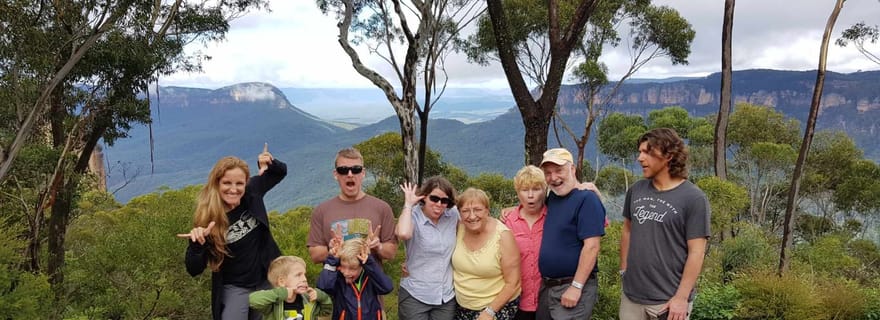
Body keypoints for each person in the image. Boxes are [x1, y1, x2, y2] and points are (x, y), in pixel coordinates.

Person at [179, 143, 286, 320]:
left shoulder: (252, 193)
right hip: (235, 286)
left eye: (239, 183)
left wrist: (269, 163)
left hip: (267, 277)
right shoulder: (208, 218)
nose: (234, 189)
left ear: (246, 183)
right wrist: (196, 245)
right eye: (227, 183)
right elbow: (193, 269)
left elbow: (280, 172)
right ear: (216, 183)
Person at [619, 128, 710, 320]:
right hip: (631, 299)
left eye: (647, 153)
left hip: (668, 301)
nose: (640, 158)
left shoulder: (693, 198)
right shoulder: (636, 190)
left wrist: (681, 298)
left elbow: (697, 252)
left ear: (668, 156)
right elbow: (627, 229)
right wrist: (624, 269)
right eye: (640, 151)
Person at [537, 148, 606, 319]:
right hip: (547, 287)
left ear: (572, 169)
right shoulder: (553, 198)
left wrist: (576, 286)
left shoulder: (586, 199)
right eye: (548, 173)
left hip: (571, 288)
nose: (553, 178)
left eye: (559, 170)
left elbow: (592, 246)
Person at [307, 147, 397, 265]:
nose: (350, 174)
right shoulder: (321, 211)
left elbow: (391, 252)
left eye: (356, 169)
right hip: (335, 281)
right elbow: (315, 255)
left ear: (363, 173)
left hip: (371, 281)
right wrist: (331, 248)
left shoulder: (382, 208)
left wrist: (377, 246)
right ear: (336, 174)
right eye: (343, 170)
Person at [452, 187, 521, 320]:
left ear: (487, 210)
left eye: (477, 210)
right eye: (465, 211)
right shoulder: (458, 228)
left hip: (495, 308)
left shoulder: (503, 236)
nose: (472, 216)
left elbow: (513, 282)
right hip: (461, 307)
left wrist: (489, 312)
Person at [396, 177, 459, 320]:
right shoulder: (413, 215)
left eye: (444, 201)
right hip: (415, 294)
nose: (439, 204)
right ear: (424, 197)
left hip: (445, 296)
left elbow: (475, 213)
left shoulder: (452, 215)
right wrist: (408, 204)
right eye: (434, 199)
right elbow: (404, 233)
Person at [500, 166, 547, 320]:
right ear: (518, 192)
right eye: (525, 190)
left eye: (536, 189)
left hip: (547, 301)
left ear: (544, 190)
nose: (531, 195)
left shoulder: (554, 217)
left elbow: (599, 222)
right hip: (517, 301)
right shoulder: (507, 222)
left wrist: (589, 189)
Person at [317, 228, 394, 320]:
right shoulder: (338, 277)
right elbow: (323, 287)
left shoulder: (370, 276)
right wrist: (332, 260)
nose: (346, 272)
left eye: (352, 268)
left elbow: (387, 288)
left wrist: (369, 263)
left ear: (362, 265)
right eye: (343, 266)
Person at [249, 256, 332, 320]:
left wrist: (322, 297)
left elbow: (327, 312)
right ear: (282, 282)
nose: (304, 279)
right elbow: (252, 300)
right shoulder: (273, 304)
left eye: (304, 275)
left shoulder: (308, 300)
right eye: (298, 275)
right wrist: (282, 293)